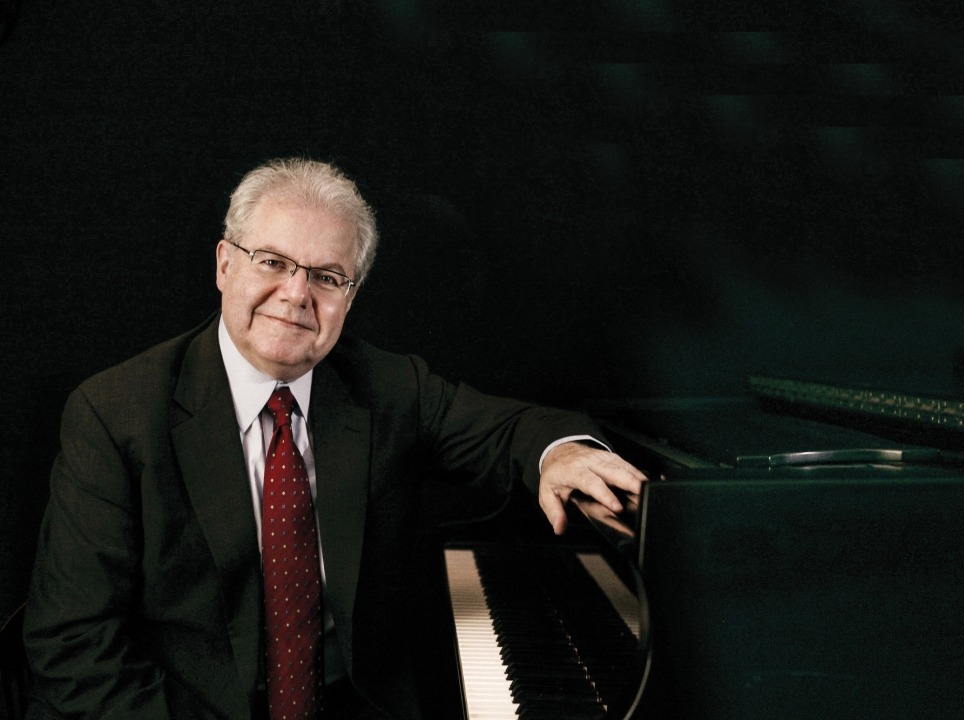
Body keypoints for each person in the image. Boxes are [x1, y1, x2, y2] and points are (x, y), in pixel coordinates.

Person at [23, 157, 646, 720]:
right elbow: (73, 646)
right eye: (272, 262)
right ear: (224, 265)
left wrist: (563, 454)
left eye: (326, 276)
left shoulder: (388, 387)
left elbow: (516, 430)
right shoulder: (117, 414)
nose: (296, 294)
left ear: (350, 296)